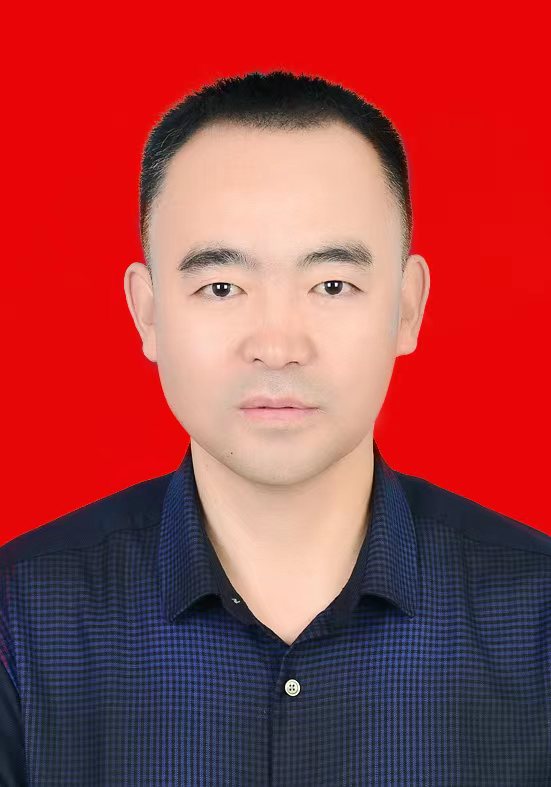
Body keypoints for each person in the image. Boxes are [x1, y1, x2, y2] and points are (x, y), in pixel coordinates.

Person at [1, 71, 550, 785]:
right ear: (148, 313)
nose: (277, 344)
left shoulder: (536, 617)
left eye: (331, 285)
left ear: (407, 307)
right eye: (221, 287)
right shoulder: (22, 618)